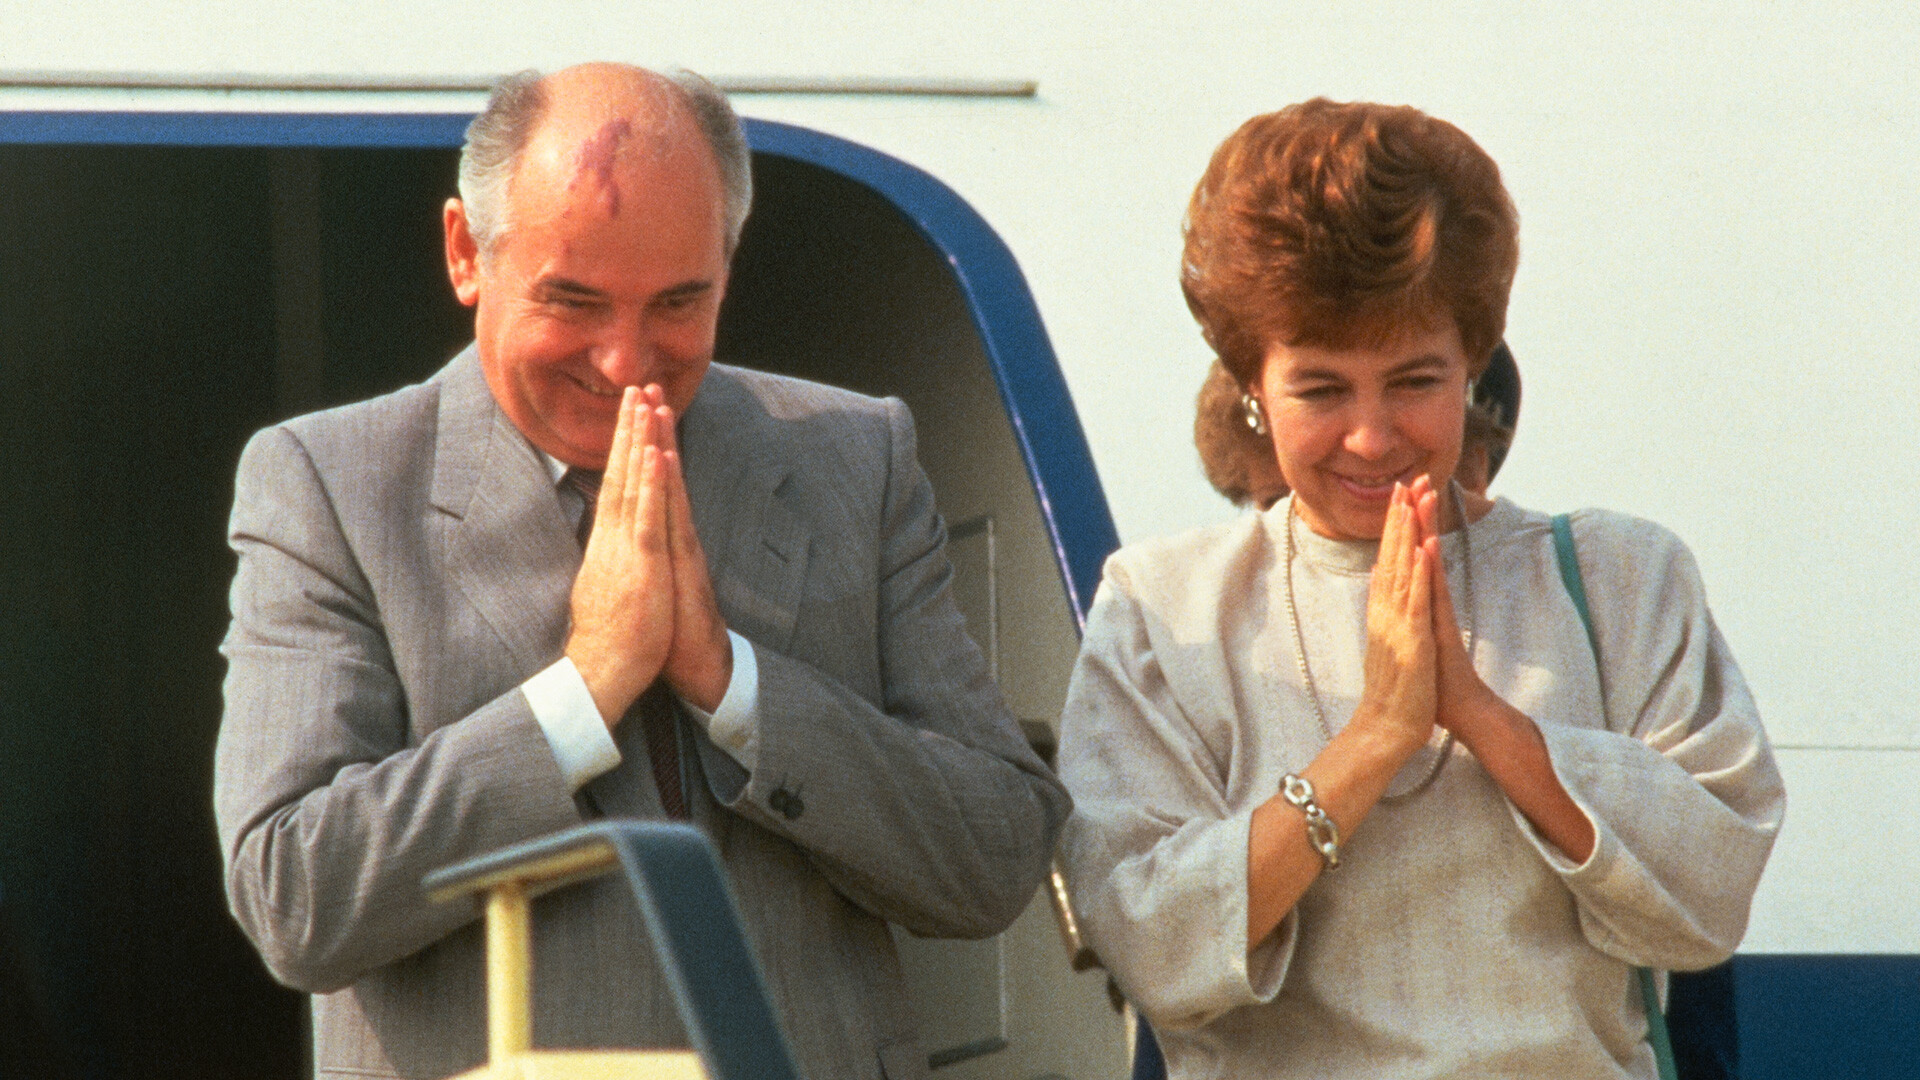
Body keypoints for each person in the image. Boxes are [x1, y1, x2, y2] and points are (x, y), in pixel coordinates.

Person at [214, 62, 1068, 1080]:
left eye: (677, 302)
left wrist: (732, 685)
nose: (625, 360)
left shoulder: (855, 456)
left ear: (728, 265)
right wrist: (584, 690)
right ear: (465, 253)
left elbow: (995, 858)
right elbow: (294, 894)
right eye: (573, 301)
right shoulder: (331, 487)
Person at [1056, 99, 1783, 1079]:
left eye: (1414, 381)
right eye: (1320, 389)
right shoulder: (1161, 609)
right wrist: (1374, 740)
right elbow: (1151, 946)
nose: (1371, 434)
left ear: (1473, 365)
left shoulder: (1621, 578)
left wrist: (1486, 720)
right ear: (1249, 389)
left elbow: (1712, 894)